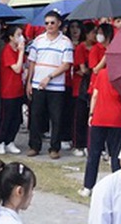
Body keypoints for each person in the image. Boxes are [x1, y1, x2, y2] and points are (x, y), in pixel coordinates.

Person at [26, 12, 73, 159]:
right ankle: (34, 145)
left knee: (56, 117)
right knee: (35, 116)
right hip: (37, 84)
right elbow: (32, 62)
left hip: (56, 87)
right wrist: (28, 82)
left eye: (52, 23)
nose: (49, 26)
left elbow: (66, 64)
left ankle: (54, 148)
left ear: (59, 23)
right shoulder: (38, 40)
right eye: (46, 23)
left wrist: (50, 76)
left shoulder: (65, 42)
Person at [80, 63, 121, 197]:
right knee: (116, 155)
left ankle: (88, 186)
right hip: (118, 119)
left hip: (100, 117)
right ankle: (119, 187)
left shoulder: (101, 73)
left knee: (93, 154)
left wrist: (91, 114)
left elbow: (95, 95)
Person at [0, 26, 26, 155]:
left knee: (16, 118)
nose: (21, 37)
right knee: (6, 118)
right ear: (11, 37)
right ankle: (0, 142)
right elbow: (17, 68)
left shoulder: (17, 50)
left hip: (18, 89)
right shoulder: (7, 51)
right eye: (18, 35)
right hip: (8, 90)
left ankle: (10, 141)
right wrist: (21, 52)